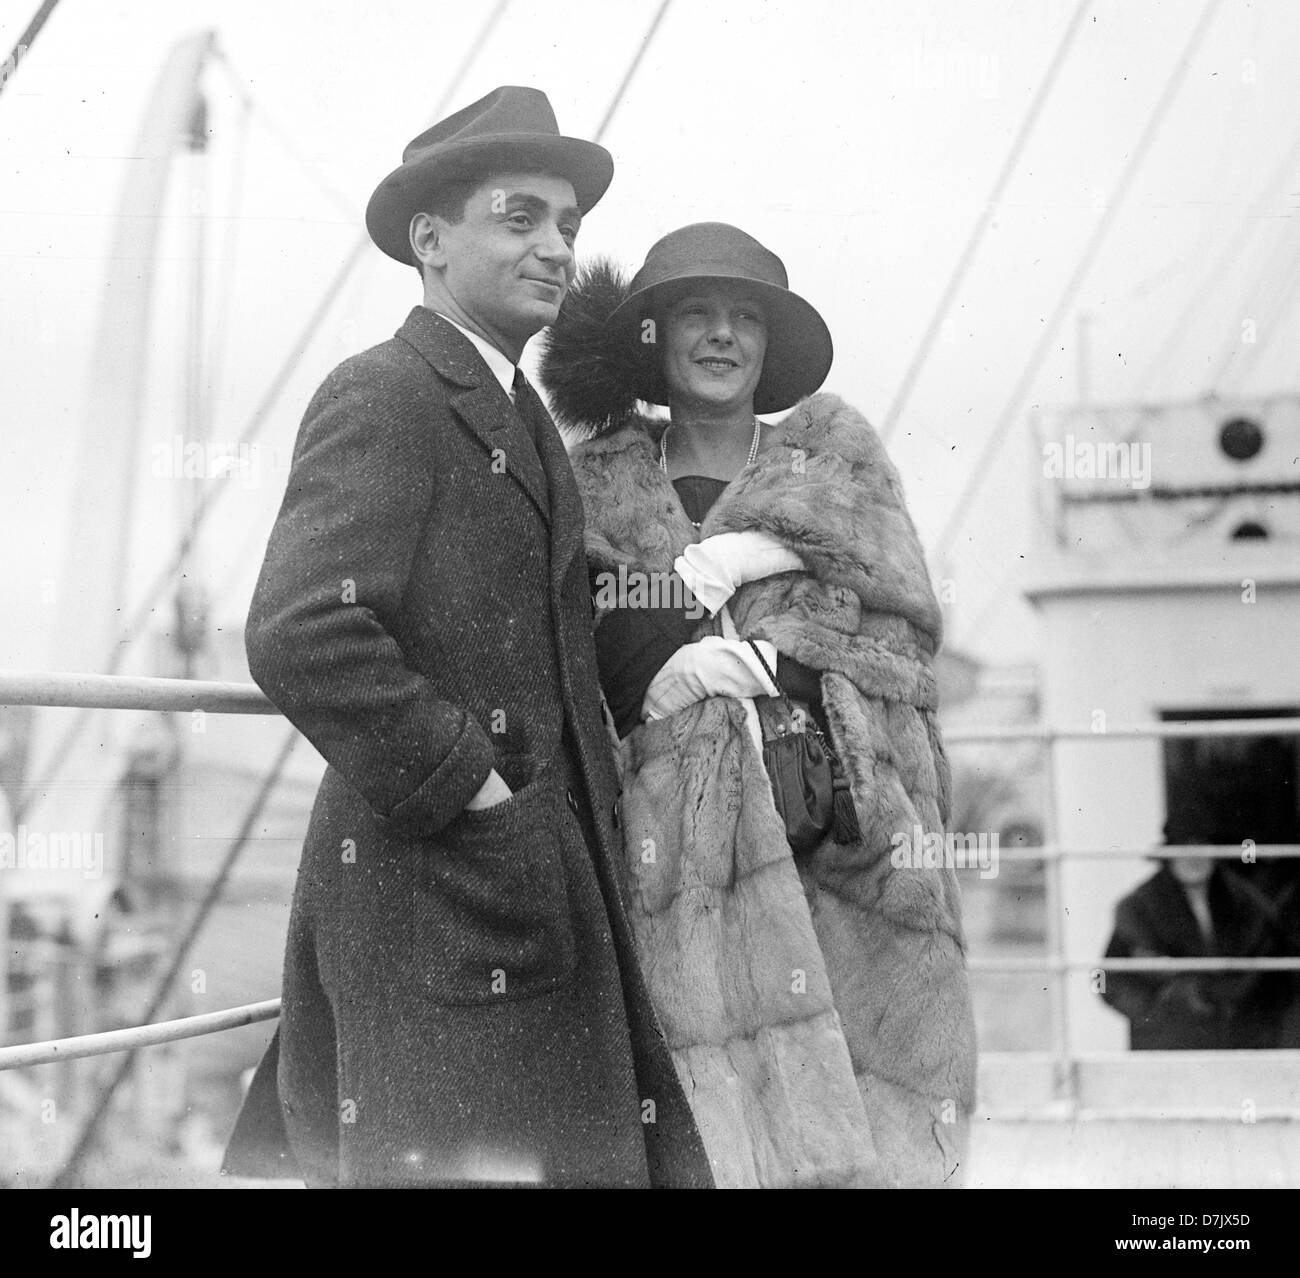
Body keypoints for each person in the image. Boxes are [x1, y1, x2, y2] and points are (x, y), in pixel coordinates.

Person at [221, 87, 711, 1188]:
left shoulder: (513, 411)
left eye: (568, 227)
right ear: (430, 241)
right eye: (520, 217)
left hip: (514, 892)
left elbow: (524, 587)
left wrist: (691, 606)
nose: (555, 249)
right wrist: (477, 794)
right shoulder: (388, 393)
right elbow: (301, 630)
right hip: (442, 894)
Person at [539, 222, 977, 1187]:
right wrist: (669, 665)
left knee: (864, 1107)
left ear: (772, 345)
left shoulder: (836, 473)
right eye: (697, 313)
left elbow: (903, 643)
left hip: (835, 830)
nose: (722, 336)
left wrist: (787, 653)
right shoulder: (595, 486)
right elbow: (574, 644)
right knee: (709, 1120)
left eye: (746, 317)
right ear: (652, 336)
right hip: (671, 850)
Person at [1102, 810, 1299, 1050]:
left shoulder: (1248, 904)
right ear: (1168, 855)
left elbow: (1278, 973)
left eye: (1202, 847)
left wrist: (1256, 1019)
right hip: (1170, 1044)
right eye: (1183, 848)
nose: (1193, 857)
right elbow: (1108, 981)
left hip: (1240, 1043)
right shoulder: (1139, 907)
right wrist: (1156, 1014)